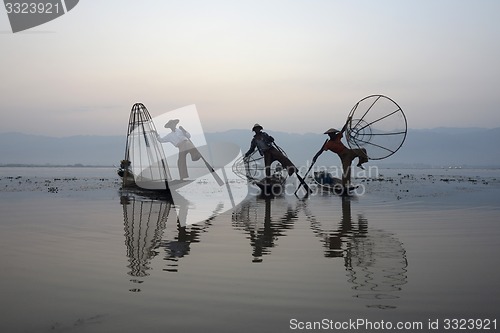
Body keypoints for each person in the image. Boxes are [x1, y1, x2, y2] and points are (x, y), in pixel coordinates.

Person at [312, 116, 368, 193]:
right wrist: (315, 157)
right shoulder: (328, 144)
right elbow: (321, 151)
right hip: (344, 156)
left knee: (363, 150)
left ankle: (360, 163)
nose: (332, 135)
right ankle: (345, 186)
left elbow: (343, 129)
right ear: (329, 135)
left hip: (349, 152)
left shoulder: (338, 136)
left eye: (333, 134)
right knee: (346, 171)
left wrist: (348, 121)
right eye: (331, 134)